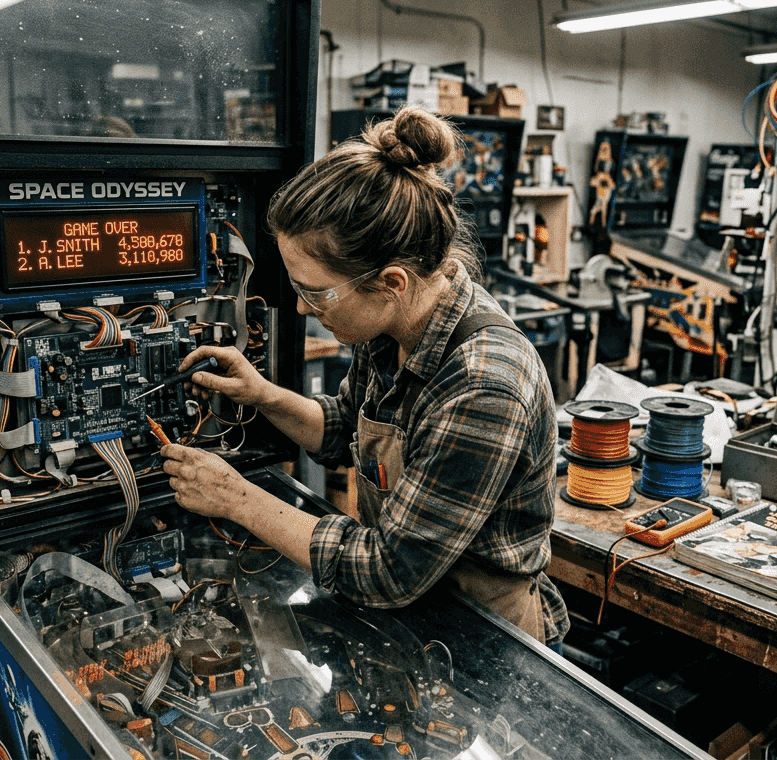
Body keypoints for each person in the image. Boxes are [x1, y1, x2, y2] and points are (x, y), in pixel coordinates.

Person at [159, 107, 569, 646]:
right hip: (412, 622)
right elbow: (342, 430)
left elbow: (387, 570)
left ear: (392, 281)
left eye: (316, 292)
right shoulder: (392, 329)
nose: (304, 310)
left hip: (484, 639)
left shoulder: (483, 385)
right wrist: (262, 395)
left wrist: (237, 499)